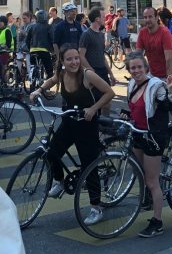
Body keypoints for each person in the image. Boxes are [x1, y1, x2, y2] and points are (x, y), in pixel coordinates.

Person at [29, 45, 114, 226]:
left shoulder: (87, 74)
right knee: (51, 153)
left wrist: (93, 109)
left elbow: (109, 92)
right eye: (69, 59)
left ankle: (96, 207)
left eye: (76, 58)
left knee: (88, 166)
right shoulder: (61, 74)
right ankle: (59, 182)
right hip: (69, 121)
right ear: (62, 61)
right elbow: (51, 80)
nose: (74, 62)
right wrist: (38, 90)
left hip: (87, 124)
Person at [122, 51, 172, 238]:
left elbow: (165, 107)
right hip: (138, 134)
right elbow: (134, 110)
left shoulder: (156, 85)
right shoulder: (131, 84)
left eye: (139, 67)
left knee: (152, 181)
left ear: (146, 68)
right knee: (140, 173)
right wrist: (126, 115)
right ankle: (148, 200)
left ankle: (157, 222)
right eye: (132, 68)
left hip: (153, 137)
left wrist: (168, 91)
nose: (135, 71)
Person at [136, 7, 172, 124]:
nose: (147, 20)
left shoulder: (165, 32)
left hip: (170, 74)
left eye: (150, 17)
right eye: (145, 17)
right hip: (153, 74)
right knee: (150, 104)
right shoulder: (142, 33)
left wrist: (168, 79)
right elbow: (138, 56)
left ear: (157, 18)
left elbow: (168, 59)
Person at [78, 7, 111, 86]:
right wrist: (91, 71)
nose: (105, 19)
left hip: (103, 71)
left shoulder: (101, 34)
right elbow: (81, 55)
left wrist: (111, 74)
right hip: (93, 71)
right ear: (97, 19)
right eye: (103, 17)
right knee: (98, 97)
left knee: (109, 94)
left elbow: (102, 56)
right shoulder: (86, 34)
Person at [27, 10, 54, 78]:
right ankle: (48, 84)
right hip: (44, 50)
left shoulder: (32, 27)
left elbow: (27, 40)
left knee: (33, 65)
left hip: (33, 50)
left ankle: (33, 78)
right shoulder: (48, 27)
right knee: (49, 69)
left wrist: (29, 48)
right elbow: (52, 39)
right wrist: (52, 50)